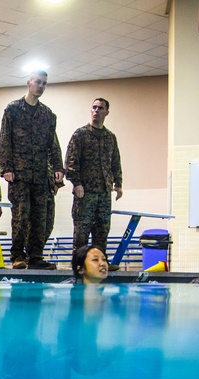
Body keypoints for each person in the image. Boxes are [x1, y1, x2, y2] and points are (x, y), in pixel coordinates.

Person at [0, 70, 63, 270]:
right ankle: (18, 255)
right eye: (38, 82)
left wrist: (58, 168)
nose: (41, 86)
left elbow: (53, 144)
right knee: (21, 216)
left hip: (41, 176)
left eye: (44, 83)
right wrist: (6, 168)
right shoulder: (13, 110)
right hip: (19, 174)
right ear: (28, 83)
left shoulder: (48, 115)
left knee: (40, 218)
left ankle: (36, 256)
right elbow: (5, 139)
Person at [65, 98, 123, 259]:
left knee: (102, 231)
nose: (96, 110)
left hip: (104, 193)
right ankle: (79, 266)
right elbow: (70, 161)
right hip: (85, 193)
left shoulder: (110, 137)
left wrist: (118, 184)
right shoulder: (80, 134)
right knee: (81, 234)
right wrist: (76, 183)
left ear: (106, 112)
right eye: (94, 107)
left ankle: (100, 265)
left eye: (100, 108)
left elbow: (115, 161)